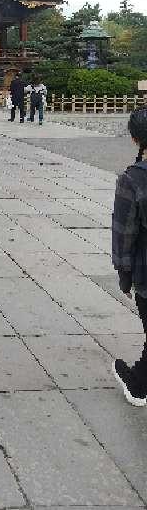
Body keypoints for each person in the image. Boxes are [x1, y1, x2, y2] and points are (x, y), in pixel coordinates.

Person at [111, 108, 147, 406]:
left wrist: (124, 275)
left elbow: (125, 233)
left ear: (135, 139)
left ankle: (137, 384)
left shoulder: (133, 179)